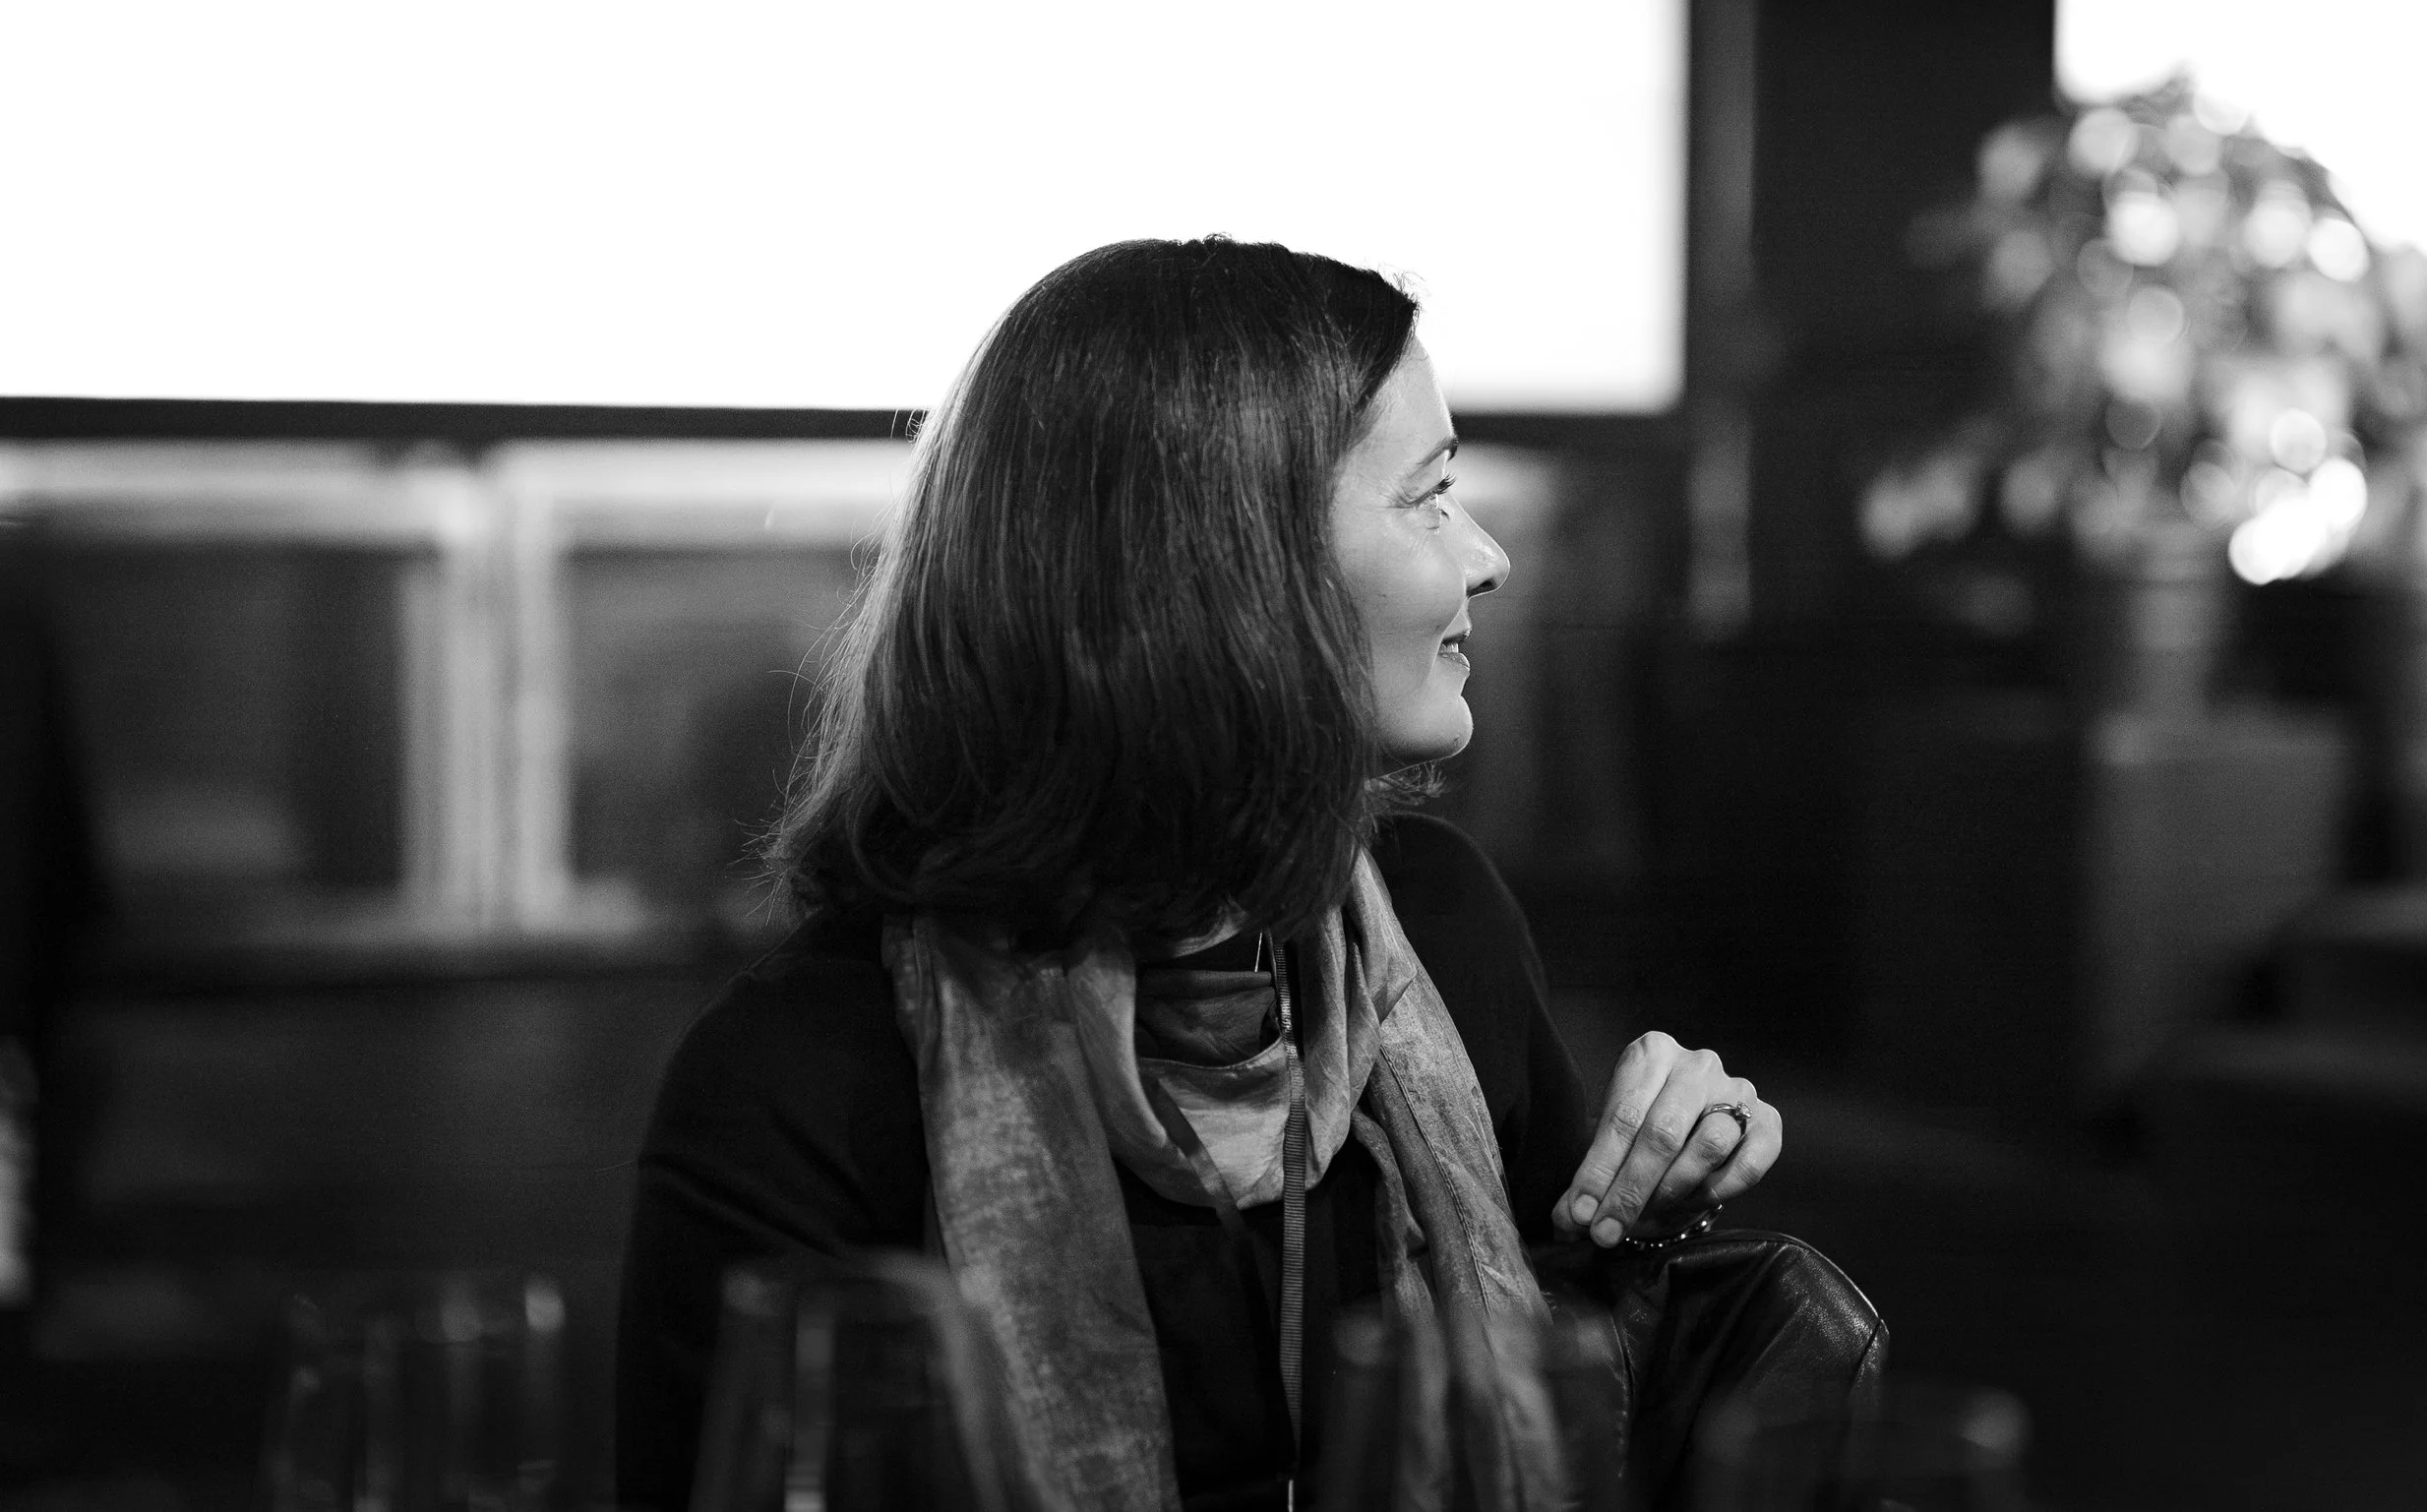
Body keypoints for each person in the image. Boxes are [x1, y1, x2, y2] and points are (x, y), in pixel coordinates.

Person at [616, 237, 1783, 1512]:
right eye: (1431, 496)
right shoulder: (808, 1083)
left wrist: (1654, 1199)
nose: (1489, 556)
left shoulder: (1442, 923)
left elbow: (1557, 1377)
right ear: (1231, 568)